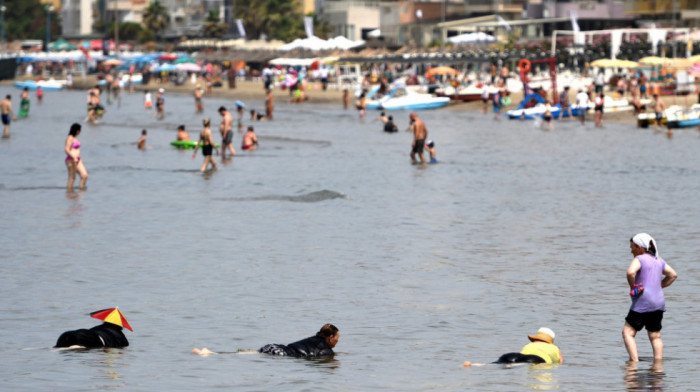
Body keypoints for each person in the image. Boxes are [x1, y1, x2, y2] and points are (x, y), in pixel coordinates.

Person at [623, 233, 677, 362]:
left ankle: (634, 363)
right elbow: (673, 275)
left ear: (640, 247)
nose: (631, 250)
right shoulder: (659, 260)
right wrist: (659, 285)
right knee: (655, 336)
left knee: (628, 333)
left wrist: (633, 287)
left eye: (632, 247)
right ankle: (658, 365)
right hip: (658, 303)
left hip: (643, 302)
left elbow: (630, 272)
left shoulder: (639, 259)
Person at [259, 324, 339, 358]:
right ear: (331, 337)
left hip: (273, 347)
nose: (337, 340)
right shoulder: (327, 351)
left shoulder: (312, 339)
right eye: (337, 337)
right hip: (280, 354)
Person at [495, 327, 563, 364]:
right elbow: (560, 363)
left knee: (497, 363)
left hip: (514, 355)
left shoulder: (530, 344)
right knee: (521, 365)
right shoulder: (555, 348)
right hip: (536, 359)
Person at [64, 123, 88, 189]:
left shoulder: (75, 138)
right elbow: (66, 149)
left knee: (84, 175)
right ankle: (69, 193)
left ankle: (81, 192)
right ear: (77, 131)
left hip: (78, 159)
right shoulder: (70, 138)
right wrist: (73, 157)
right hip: (71, 159)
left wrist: (78, 158)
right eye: (80, 130)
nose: (80, 132)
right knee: (72, 177)